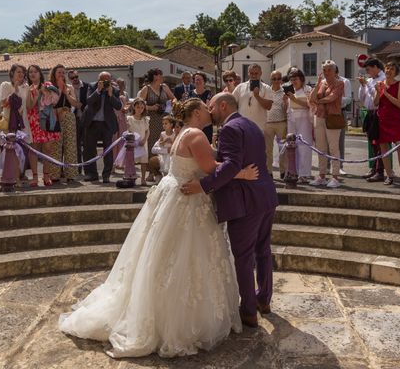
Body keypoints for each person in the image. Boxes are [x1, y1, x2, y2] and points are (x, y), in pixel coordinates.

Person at [59, 97, 259, 357]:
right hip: (188, 200)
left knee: (165, 255)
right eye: (205, 108)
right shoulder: (196, 135)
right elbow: (210, 169)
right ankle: (181, 321)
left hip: (174, 194)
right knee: (187, 257)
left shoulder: (181, 133)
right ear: (196, 112)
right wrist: (242, 173)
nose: (210, 111)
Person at [181, 93, 278, 328]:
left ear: (223, 106)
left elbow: (232, 165)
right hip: (265, 196)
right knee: (263, 250)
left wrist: (203, 186)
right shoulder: (251, 125)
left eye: (211, 107)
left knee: (244, 257)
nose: (210, 111)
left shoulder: (229, 129)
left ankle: (248, 311)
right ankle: (263, 300)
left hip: (245, 202)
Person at [309, 60, 344, 188]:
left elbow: (332, 98)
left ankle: (335, 177)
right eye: (324, 70)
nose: (326, 72)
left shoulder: (340, 83)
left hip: (333, 117)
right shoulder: (321, 83)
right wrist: (317, 84)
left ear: (335, 71)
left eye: (329, 69)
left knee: (334, 148)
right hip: (319, 117)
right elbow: (311, 99)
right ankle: (322, 175)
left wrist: (318, 101)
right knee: (321, 148)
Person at [82, 71, 123, 183]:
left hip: (106, 124)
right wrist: (98, 91)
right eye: (102, 80)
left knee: (108, 150)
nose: (105, 83)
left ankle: (106, 175)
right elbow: (89, 101)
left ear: (110, 81)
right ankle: (91, 174)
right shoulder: (92, 86)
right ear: (98, 80)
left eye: (107, 80)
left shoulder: (114, 90)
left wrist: (110, 94)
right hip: (92, 122)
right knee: (89, 150)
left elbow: (119, 106)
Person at [26, 65, 61, 187]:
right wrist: (36, 94)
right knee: (34, 149)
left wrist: (45, 92)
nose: (32, 74)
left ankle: (46, 175)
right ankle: (34, 177)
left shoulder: (47, 85)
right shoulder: (28, 88)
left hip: (47, 119)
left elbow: (55, 101)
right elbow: (29, 107)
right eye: (30, 72)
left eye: (35, 71)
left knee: (47, 148)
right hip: (34, 120)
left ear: (40, 73)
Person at [374, 61, 400, 185]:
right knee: (384, 149)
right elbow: (375, 103)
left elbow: (399, 104)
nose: (388, 71)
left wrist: (386, 93)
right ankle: (389, 175)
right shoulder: (379, 84)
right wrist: (378, 92)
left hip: (395, 120)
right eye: (387, 68)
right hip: (382, 120)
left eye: (392, 69)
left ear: (396, 72)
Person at [0, 64, 32, 182]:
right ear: (12, 73)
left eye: (23, 72)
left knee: (23, 147)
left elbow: (27, 106)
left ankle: (21, 173)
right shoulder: (5, 85)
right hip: (9, 120)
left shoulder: (26, 87)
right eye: (19, 72)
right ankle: (8, 174)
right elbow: (3, 103)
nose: (21, 74)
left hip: (22, 120)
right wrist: (15, 90)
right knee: (9, 147)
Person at [48, 65, 79, 183]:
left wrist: (66, 92)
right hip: (55, 117)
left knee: (70, 144)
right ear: (54, 74)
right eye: (59, 72)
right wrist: (59, 90)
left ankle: (70, 174)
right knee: (56, 145)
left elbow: (75, 104)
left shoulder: (69, 87)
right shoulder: (49, 87)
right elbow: (50, 103)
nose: (61, 74)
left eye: (63, 72)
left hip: (68, 116)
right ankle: (54, 174)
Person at [358, 58, 386, 182]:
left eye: (369, 69)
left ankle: (380, 171)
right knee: (372, 142)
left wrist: (367, 84)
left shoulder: (382, 79)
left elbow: (376, 95)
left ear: (375, 67)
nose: (368, 73)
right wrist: (362, 85)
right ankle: (374, 168)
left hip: (378, 113)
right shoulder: (370, 80)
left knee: (379, 143)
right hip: (370, 113)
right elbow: (362, 97)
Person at [138, 68, 175, 155]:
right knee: (152, 140)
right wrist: (151, 107)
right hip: (151, 120)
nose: (162, 76)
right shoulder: (146, 89)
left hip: (164, 119)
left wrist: (173, 103)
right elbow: (138, 105)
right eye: (160, 74)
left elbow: (173, 98)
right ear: (155, 76)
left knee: (164, 140)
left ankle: (162, 162)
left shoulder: (164, 87)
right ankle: (151, 163)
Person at [285, 68, 313, 183]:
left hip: (304, 119)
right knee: (292, 146)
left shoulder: (307, 89)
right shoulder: (288, 90)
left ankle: (304, 174)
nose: (293, 81)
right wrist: (285, 100)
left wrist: (294, 99)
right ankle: (293, 172)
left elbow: (309, 104)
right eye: (291, 79)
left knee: (304, 146)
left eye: (295, 79)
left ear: (301, 79)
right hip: (291, 119)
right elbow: (286, 107)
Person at [232, 63, 273, 132]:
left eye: (256, 73)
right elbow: (232, 103)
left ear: (260, 73)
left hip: (259, 127)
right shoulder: (240, 87)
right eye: (251, 73)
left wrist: (257, 96)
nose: (253, 75)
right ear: (248, 73)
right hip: (242, 126)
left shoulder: (266, 88)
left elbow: (269, 106)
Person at [264, 70, 287, 179]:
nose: (276, 81)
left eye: (278, 78)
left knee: (283, 149)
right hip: (268, 123)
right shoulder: (266, 91)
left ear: (281, 80)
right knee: (268, 149)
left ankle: (283, 171)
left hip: (281, 123)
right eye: (274, 78)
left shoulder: (285, 92)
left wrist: (286, 102)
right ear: (271, 80)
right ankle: (268, 171)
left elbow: (287, 109)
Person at [126, 98, 150, 186]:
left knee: (143, 161)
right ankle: (132, 177)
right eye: (138, 107)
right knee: (132, 161)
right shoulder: (130, 119)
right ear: (134, 107)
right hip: (134, 143)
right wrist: (133, 140)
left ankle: (143, 179)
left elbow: (147, 131)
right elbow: (128, 131)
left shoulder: (145, 119)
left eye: (142, 108)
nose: (140, 109)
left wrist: (144, 140)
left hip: (143, 143)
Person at [67, 70, 86, 171]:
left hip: (86, 120)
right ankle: (78, 169)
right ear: (69, 79)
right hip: (74, 120)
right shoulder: (68, 89)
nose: (75, 79)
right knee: (76, 145)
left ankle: (89, 169)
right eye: (72, 78)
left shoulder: (87, 87)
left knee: (87, 146)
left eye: (76, 76)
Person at [188, 72, 214, 143]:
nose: (198, 81)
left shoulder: (209, 93)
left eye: (200, 79)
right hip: (193, 124)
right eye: (196, 79)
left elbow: (207, 108)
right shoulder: (190, 93)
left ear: (204, 81)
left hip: (206, 125)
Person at [336, 66, 351, 176]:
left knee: (340, 140)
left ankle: (340, 166)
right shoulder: (323, 82)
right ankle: (327, 166)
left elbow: (349, 98)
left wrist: (335, 99)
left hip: (340, 111)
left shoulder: (345, 81)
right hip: (327, 112)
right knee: (326, 141)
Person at [112, 77, 129, 162]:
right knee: (114, 142)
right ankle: (114, 161)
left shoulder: (124, 96)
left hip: (122, 120)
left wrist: (126, 109)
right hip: (114, 119)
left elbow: (126, 107)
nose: (122, 86)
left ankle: (121, 161)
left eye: (123, 84)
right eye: (120, 84)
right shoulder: (112, 96)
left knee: (122, 141)